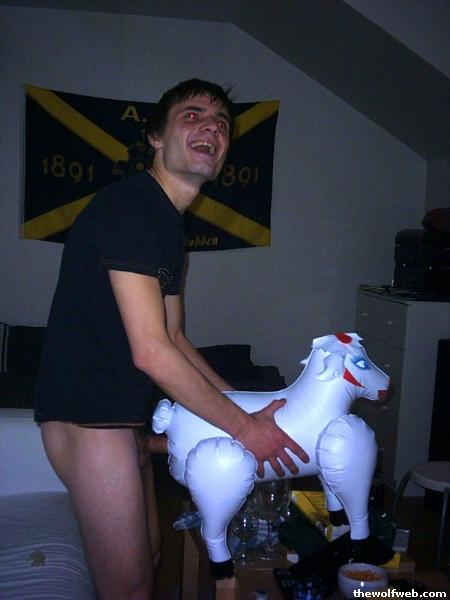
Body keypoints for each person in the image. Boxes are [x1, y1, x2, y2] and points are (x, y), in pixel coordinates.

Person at [34, 79, 309, 600]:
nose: (212, 126)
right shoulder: (131, 207)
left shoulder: (167, 224)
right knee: (129, 588)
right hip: (86, 416)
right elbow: (151, 351)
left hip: (120, 416)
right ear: (156, 137)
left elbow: (175, 336)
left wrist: (245, 405)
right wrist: (247, 430)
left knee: (153, 559)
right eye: (193, 114)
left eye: (222, 122)